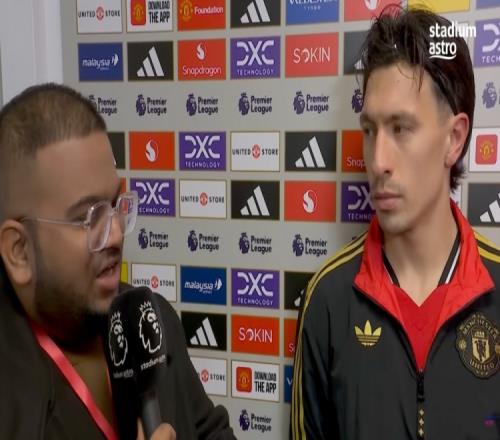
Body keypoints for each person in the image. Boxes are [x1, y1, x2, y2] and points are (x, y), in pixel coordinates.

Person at [291, 6, 500, 440]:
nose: (378, 161)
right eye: (370, 130)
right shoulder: (328, 300)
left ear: (454, 139)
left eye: (400, 128)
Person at [0, 83, 236, 440]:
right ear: (20, 251)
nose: (114, 235)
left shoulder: (150, 321)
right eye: (87, 217)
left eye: (114, 205)